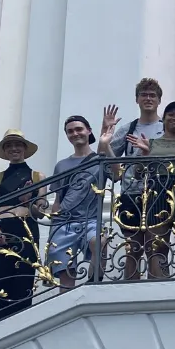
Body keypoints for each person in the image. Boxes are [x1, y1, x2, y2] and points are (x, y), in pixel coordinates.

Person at [125, 100, 175, 280]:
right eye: (171, 115)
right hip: (156, 192)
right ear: (164, 119)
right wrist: (144, 154)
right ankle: (159, 284)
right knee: (156, 245)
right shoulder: (150, 143)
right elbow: (137, 174)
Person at [45, 108, 120, 290]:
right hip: (64, 221)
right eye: (70, 131)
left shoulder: (98, 158)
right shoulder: (61, 165)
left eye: (79, 129)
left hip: (91, 219)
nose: (75, 133)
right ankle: (66, 302)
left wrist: (106, 144)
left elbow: (117, 175)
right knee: (65, 272)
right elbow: (58, 198)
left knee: (99, 243)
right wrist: (53, 229)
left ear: (88, 131)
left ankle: (94, 288)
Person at [0, 130, 46, 326]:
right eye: (9, 145)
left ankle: (19, 326)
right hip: (0, 229)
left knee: (23, 280)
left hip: (25, 230)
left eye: (17, 144)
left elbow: (40, 211)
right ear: (4, 150)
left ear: (25, 148)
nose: (14, 148)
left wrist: (31, 202)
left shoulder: (37, 176)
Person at [112, 79, 167, 281]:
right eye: (144, 94)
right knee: (133, 248)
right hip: (131, 193)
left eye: (152, 95)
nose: (148, 98)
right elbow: (108, 157)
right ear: (137, 99)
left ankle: (156, 292)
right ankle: (129, 290)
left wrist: (150, 151)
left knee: (156, 247)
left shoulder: (167, 129)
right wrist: (104, 138)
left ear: (159, 100)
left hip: (159, 194)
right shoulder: (128, 129)